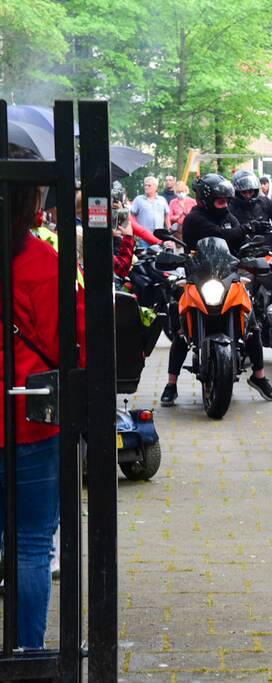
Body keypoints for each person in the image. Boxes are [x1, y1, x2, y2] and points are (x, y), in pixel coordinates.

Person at [0, 171, 85, 648]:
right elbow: (67, 346)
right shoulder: (44, 262)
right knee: (31, 546)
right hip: (30, 419)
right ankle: (26, 655)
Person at [160, 174, 272, 406]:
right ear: (205, 199)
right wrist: (247, 227)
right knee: (182, 328)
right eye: (220, 200)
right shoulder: (194, 219)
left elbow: (236, 242)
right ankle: (171, 384)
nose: (224, 204)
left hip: (226, 276)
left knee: (251, 322)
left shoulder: (229, 216)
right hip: (199, 276)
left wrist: (252, 250)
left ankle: (259, 376)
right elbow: (221, 236)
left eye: (226, 200)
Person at [228, 170, 272, 238]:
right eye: (244, 192)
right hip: (241, 246)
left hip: (267, 245)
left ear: (255, 190)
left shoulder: (265, 202)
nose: (248, 195)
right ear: (237, 192)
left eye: (250, 191)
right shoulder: (230, 207)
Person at [130, 175, 171, 244]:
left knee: (158, 254)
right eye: (145, 185)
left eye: (149, 185)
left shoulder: (162, 200)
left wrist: (169, 232)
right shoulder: (138, 199)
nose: (146, 187)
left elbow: (167, 216)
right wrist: (134, 232)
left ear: (155, 187)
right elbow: (132, 216)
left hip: (159, 237)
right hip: (143, 238)